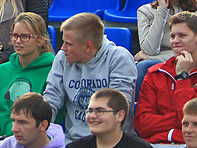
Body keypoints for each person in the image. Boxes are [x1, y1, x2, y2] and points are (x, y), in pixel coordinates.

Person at [43, 13, 137, 141]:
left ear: (88, 46)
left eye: (68, 43)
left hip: (112, 141)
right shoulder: (62, 57)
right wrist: (42, 130)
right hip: (73, 140)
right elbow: (51, 98)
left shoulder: (119, 58)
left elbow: (118, 108)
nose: (62, 48)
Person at [0, 15, 56, 145]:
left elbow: (50, 114)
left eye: (24, 36)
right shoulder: (1, 71)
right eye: (14, 35)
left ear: (39, 40)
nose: (17, 41)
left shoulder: (52, 71)